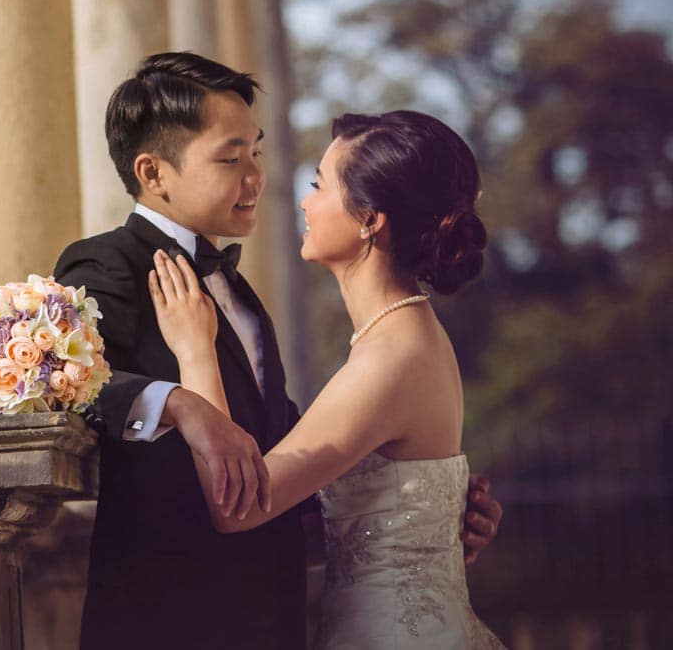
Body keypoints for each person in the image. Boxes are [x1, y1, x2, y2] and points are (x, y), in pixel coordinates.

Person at [58, 53, 502, 649]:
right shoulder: (105, 265)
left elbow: (266, 487)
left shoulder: (254, 303)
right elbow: (67, 383)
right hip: (166, 627)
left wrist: (426, 532)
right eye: (230, 157)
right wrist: (180, 403)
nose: (262, 180)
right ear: (153, 172)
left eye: (257, 154)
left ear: (370, 220)